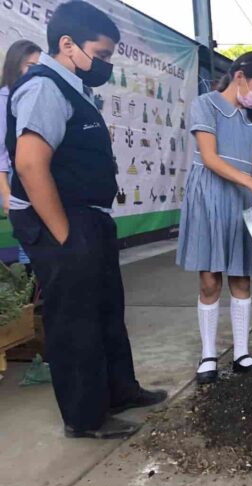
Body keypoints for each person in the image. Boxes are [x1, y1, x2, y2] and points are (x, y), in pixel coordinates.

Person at [6, 1, 166, 439]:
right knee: (74, 320)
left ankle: (120, 391)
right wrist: (63, 235)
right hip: (61, 219)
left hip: (88, 217)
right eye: (103, 54)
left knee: (106, 308)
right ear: (67, 44)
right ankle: (84, 417)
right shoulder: (43, 89)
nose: (107, 65)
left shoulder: (73, 87)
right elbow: (30, 166)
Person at [176, 51, 252, 384]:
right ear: (240, 76)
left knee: (241, 278)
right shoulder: (205, 105)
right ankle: (209, 357)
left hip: (243, 200)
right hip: (210, 197)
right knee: (210, 279)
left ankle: (242, 354)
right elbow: (211, 159)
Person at [0, 40, 41, 270]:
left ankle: (40, 298)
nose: (36, 71)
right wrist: (6, 193)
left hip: (37, 176)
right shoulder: (3, 99)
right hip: (16, 180)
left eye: (39, 65)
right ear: (15, 65)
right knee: (29, 237)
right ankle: (32, 301)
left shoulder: (34, 97)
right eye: (30, 65)